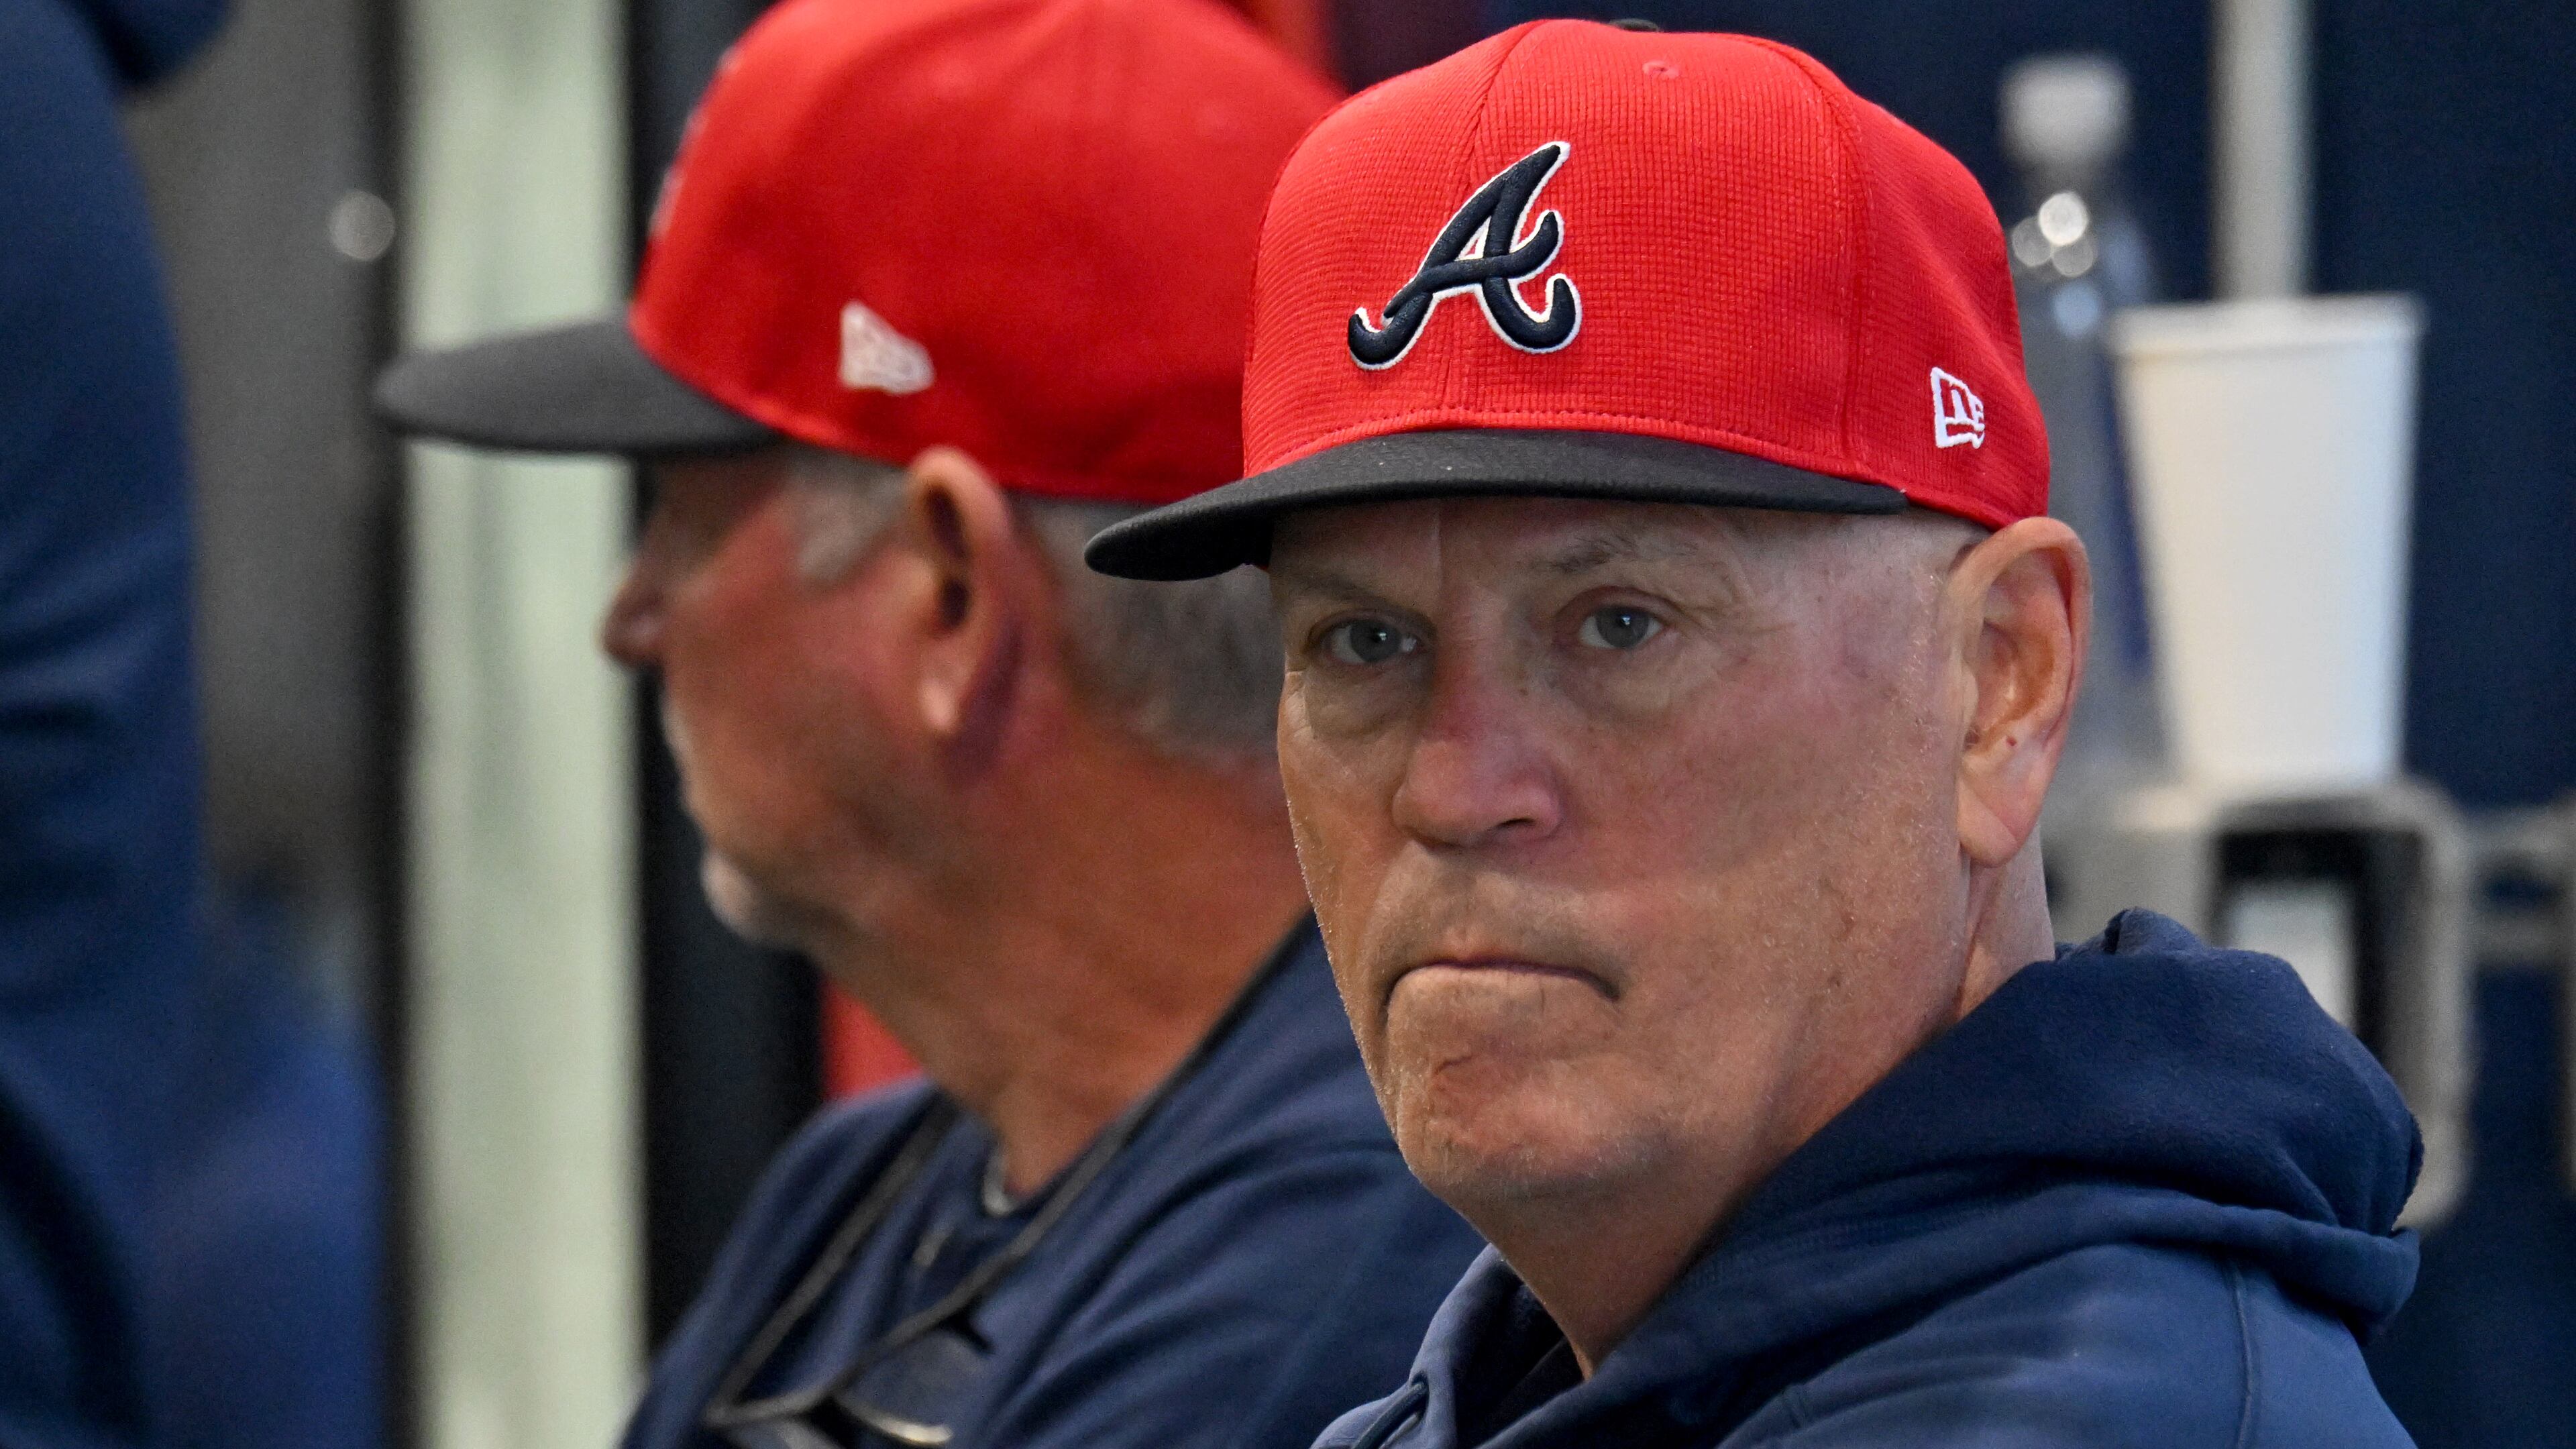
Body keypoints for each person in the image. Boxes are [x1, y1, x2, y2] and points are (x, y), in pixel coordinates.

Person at [1087, 21, 2421, 1448]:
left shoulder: (2079, 1416)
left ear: (2001, 683)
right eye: (1366, 643)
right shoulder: (1538, 1370)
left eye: (1619, 626)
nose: (1454, 782)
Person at [374, 2, 1484, 1448]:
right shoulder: (865, 1187)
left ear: (952, 591)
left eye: (683, 521)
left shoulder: (1330, 1280)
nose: (630, 619)